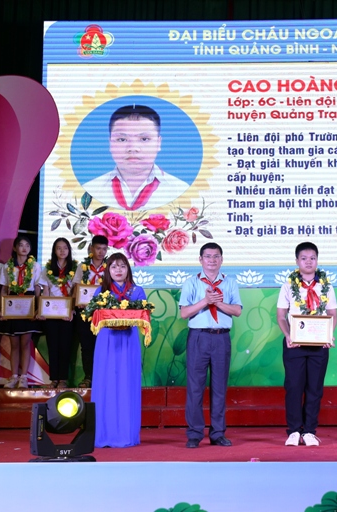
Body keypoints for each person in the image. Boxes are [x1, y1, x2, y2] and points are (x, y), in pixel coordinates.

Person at [179, 243, 243, 448]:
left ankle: (217, 433)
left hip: (221, 338)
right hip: (198, 337)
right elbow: (184, 313)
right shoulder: (191, 283)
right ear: (200, 259)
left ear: (221, 260)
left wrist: (217, 303)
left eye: (216, 256)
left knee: (219, 387)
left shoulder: (230, 283)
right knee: (195, 387)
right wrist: (205, 301)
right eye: (208, 256)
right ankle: (194, 434)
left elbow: (237, 310)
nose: (212, 260)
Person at [276, 242, 337, 447]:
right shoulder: (288, 286)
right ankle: (294, 431)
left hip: (319, 345)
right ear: (297, 261)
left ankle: (310, 431)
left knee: (315, 388)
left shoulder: (326, 286)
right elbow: (281, 316)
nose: (308, 262)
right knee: (294, 387)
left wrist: (329, 335)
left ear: (317, 260)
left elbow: (332, 314)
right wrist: (288, 335)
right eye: (304, 258)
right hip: (294, 345)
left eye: (312, 258)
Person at [82, 105, 189, 211]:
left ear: (158, 143)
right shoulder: (90, 190)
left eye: (144, 139)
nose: (133, 148)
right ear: (110, 143)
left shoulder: (181, 191)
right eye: (122, 139)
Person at [92, 253, 146, 448]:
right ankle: (104, 434)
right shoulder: (101, 291)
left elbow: (143, 316)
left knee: (126, 383)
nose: (118, 270)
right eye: (114, 266)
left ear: (128, 269)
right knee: (106, 383)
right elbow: (95, 316)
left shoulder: (137, 291)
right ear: (108, 270)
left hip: (128, 341)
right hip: (106, 341)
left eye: (122, 266)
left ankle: (126, 433)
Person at [0, 235, 42, 389]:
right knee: (14, 343)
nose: (24, 248)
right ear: (15, 248)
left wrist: (38, 307)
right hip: (12, 303)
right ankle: (13, 376)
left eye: (27, 245)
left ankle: (24, 377)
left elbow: (37, 288)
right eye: (21, 245)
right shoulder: (7, 267)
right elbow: (4, 289)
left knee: (25, 342)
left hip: (28, 303)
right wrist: (1, 308)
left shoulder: (35, 266)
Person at [39, 238, 77, 388]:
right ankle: (54, 378)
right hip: (51, 313)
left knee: (65, 346)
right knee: (52, 346)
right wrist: (43, 310)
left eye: (65, 248)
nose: (62, 251)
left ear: (69, 250)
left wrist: (72, 309)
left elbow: (75, 291)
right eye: (59, 248)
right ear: (54, 251)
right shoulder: (48, 269)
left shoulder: (75, 268)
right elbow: (45, 291)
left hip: (67, 313)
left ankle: (63, 379)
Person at [72, 235, 109, 388]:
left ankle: (103, 377)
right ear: (91, 248)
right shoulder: (82, 266)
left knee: (103, 345)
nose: (101, 252)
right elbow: (76, 288)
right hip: (85, 312)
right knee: (86, 346)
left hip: (103, 314)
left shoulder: (110, 266)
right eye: (98, 248)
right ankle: (88, 377)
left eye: (104, 249)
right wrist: (77, 302)